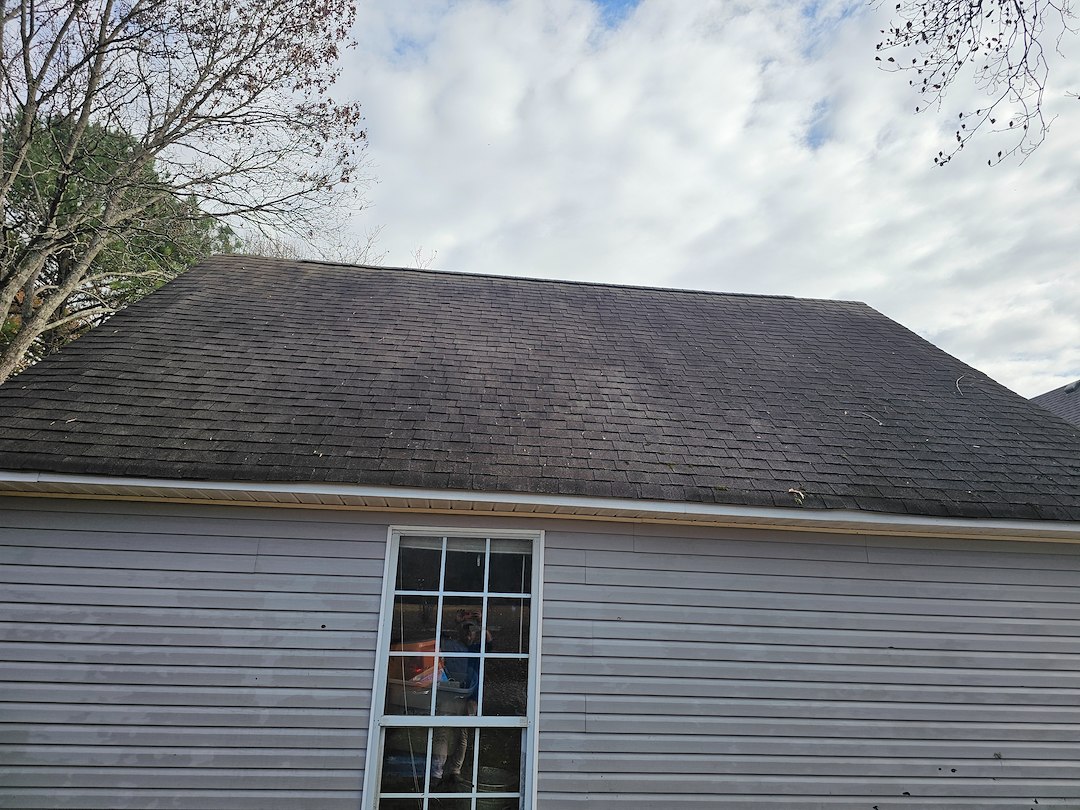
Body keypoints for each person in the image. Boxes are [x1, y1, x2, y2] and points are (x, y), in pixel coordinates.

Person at [431, 618, 483, 788]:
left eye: (472, 632)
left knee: (462, 734)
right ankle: (437, 772)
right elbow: (437, 639)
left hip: (469, 697)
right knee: (442, 733)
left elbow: (489, 640)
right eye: (465, 631)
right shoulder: (451, 646)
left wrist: (480, 621)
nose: (469, 635)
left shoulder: (478, 648)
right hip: (449, 695)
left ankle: (455, 771)